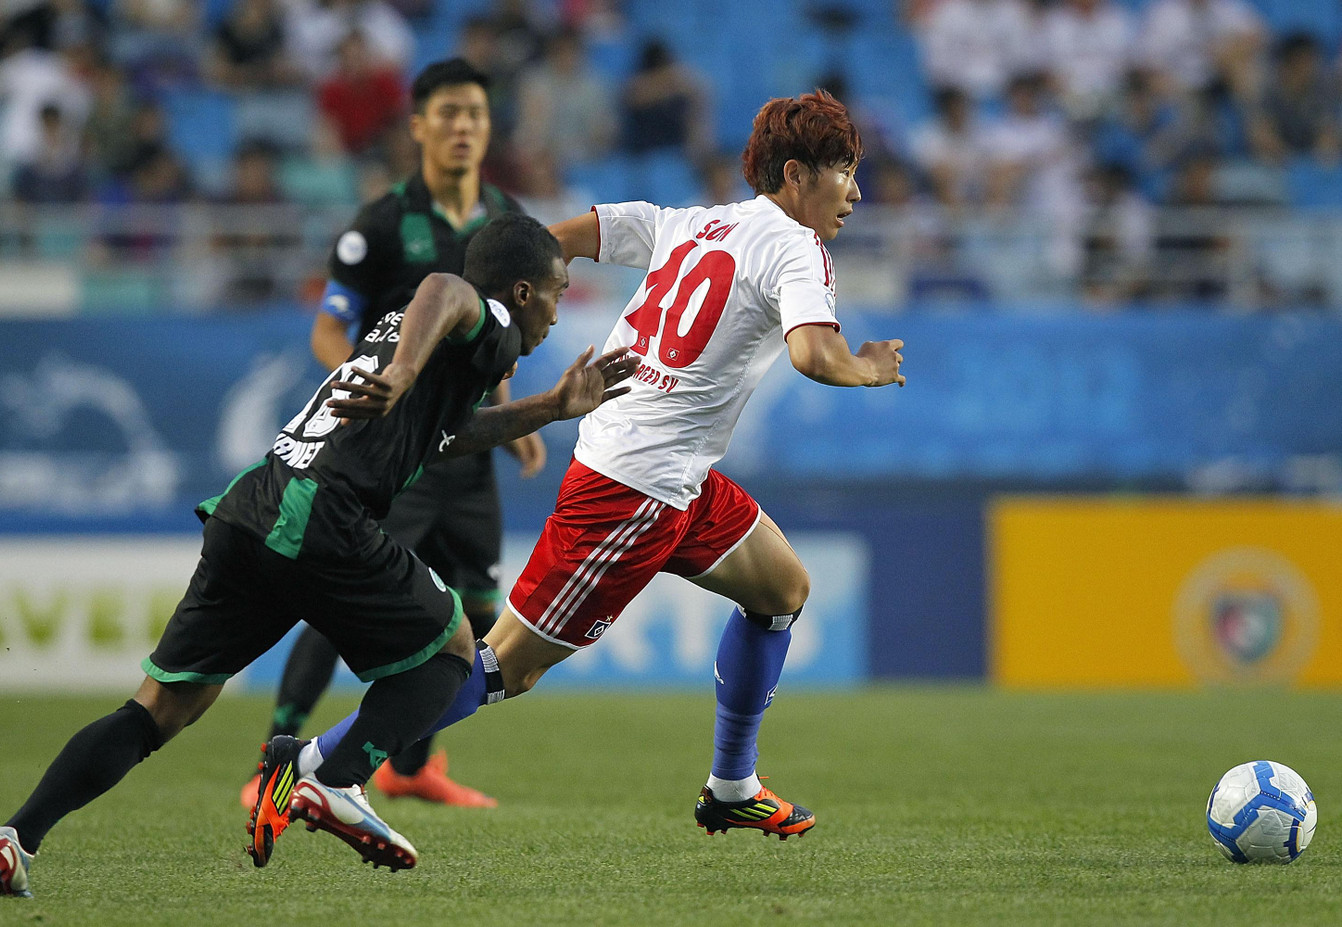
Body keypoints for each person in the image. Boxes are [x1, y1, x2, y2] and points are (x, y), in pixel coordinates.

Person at [258, 88, 906, 867]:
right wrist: (867, 368)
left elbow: (562, 238)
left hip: (675, 475)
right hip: (633, 487)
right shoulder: (798, 248)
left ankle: (732, 784)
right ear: (797, 173)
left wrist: (487, 296)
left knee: (783, 590)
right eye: (845, 172)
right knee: (506, 666)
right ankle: (319, 765)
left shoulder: (695, 222)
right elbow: (813, 354)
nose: (856, 194)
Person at [0, 211, 640, 898]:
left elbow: (444, 435)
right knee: (453, 650)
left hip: (252, 506)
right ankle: (331, 775)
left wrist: (551, 407)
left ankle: (14, 837)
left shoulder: (434, 341)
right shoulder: (489, 316)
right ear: (524, 291)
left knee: (160, 709)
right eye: (560, 291)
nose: (561, 313)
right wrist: (407, 371)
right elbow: (446, 285)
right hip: (320, 512)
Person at [239, 57, 545, 813]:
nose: (464, 127)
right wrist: (364, 394)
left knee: (473, 611)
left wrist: (515, 415)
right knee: (345, 602)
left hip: (464, 452)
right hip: (393, 457)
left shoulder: (504, 215)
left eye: (476, 112)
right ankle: (271, 755)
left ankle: (413, 765)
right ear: (418, 126)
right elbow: (329, 328)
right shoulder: (379, 224)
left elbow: (498, 330)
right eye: (448, 113)